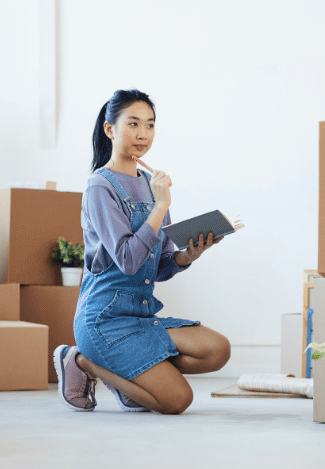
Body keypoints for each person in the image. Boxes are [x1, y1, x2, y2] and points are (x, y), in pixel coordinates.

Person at [53, 89, 231, 414]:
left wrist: (189, 255)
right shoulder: (100, 188)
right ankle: (80, 360)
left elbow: (159, 266)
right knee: (178, 401)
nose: (143, 134)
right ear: (110, 129)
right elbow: (128, 259)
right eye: (133, 124)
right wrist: (161, 206)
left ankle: (134, 381)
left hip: (141, 316)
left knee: (217, 350)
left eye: (150, 125)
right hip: (104, 321)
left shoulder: (152, 183)